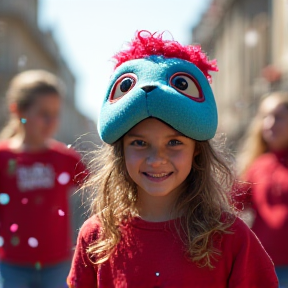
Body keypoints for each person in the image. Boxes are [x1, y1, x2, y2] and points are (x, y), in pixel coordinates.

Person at [67, 31, 278, 288]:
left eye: (174, 143)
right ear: (121, 149)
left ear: (197, 150)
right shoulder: (96, 236)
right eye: (139, 143)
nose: (156, 159)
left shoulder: (231, 238)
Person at [0, 70, 86, 288]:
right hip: (11, 264)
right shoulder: (4, 157)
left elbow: (99, 192)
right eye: (43, 113)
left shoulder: (65, 158)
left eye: (56, 114)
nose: (51, 121)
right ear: (18, 110)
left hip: (57, 264)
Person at [236, 91, 288, 287]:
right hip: (264, 264)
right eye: (265, 117)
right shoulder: (256, 166)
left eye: (278, 117)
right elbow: (231, 204)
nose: (270, 124)